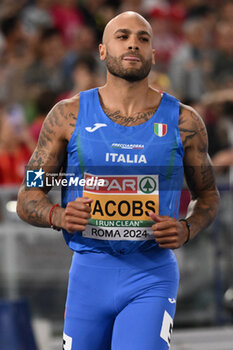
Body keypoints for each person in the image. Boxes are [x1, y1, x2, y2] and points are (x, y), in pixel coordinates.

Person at [17, 11, 220, 350]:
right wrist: (57, 215)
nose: (133, 44)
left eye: (143, 38)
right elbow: (29, 193)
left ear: (154, 54)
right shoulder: (67, 116)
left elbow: (209, 195)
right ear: (102, 50)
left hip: (151, 275)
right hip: (88, 275)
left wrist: (187, 228)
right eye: (123, 36)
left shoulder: (185, 121)